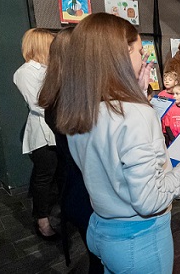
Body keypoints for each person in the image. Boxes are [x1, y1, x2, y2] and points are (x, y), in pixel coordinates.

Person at [54, 13, 180, 273]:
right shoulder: (136, 114)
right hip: (138, 239)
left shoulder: (78, 108)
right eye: (140, 51)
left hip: (101, 227)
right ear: (122, 55)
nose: (144, 59)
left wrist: (137, 95)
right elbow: (150, 200)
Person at [38, 27, 104, 272]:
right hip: (89, 194)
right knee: (101, 262)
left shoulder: (55, 96)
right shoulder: (79, 103)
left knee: (95, 257)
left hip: (73, 189)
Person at [13, 28, 58, 239]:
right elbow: (40, 104)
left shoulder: (50, 69)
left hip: (58, 129)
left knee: (55, 176)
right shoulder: (25, 72)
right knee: (44, 177)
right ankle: (42, 221)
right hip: (43, 134)